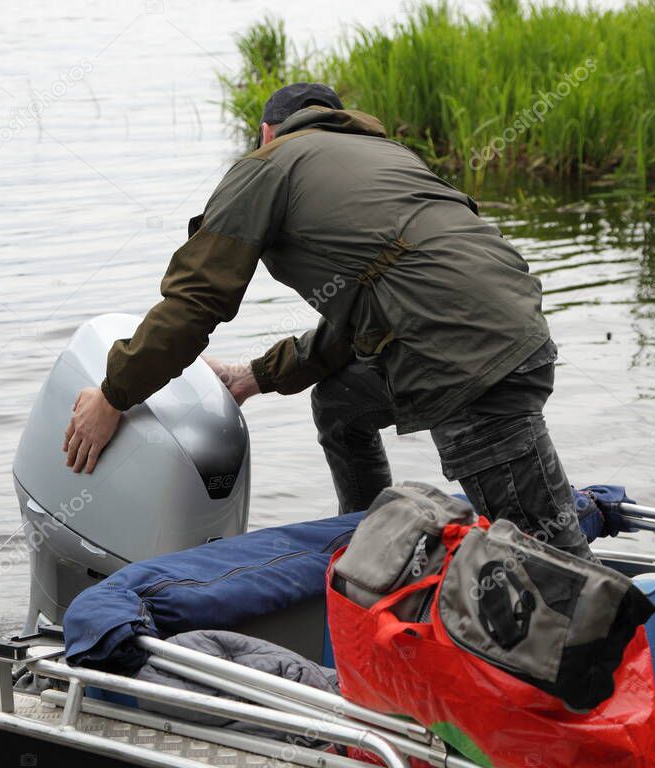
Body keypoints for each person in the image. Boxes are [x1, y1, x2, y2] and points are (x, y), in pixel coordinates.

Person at [63, 82, 595, 560]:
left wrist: (113, 396)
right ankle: (368, 547)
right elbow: (376, 312)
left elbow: (194, 304)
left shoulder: (268, 165)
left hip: (462, 359)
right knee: (341, 403)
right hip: (512, 330)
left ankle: (617, 662)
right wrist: (256, 376)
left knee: (547, 562)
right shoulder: (383, 157)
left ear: (266, 133)